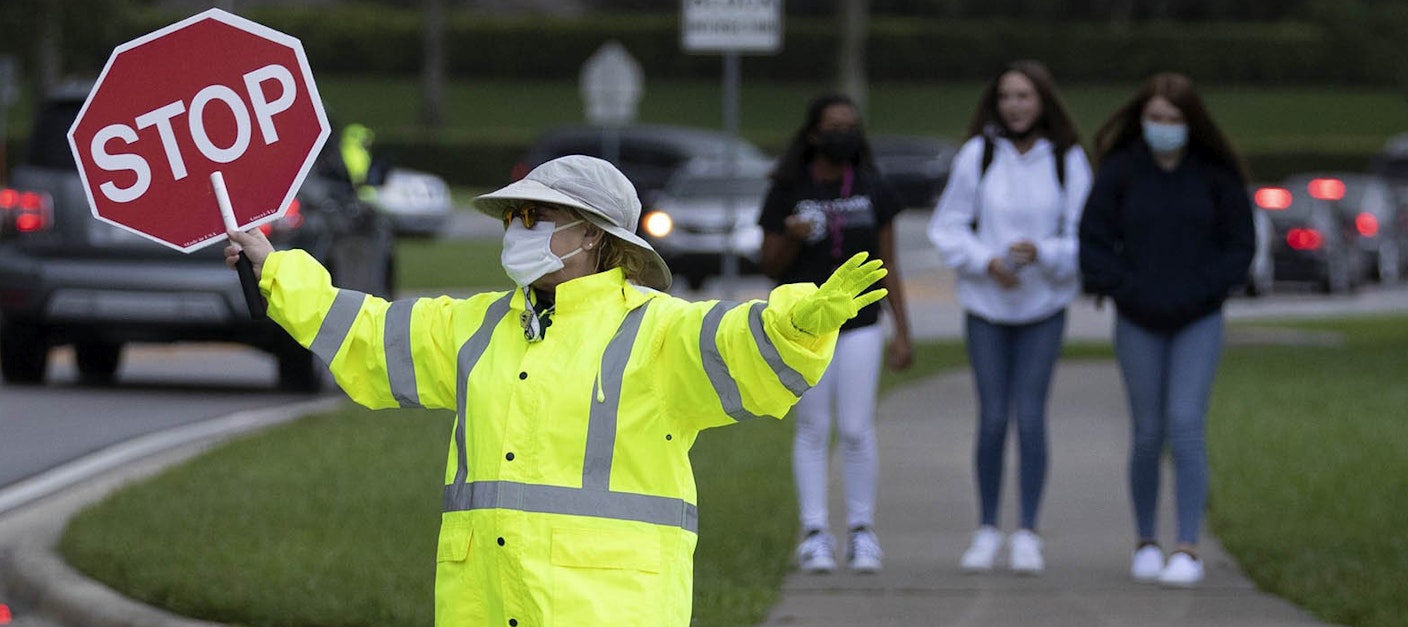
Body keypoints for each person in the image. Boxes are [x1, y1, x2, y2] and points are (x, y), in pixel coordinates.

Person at [223, 155, 889, 626]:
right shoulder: (478, 325)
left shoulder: (657, 331)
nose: (517, 227)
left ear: (593, 234)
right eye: (514, 215)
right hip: (484, 606)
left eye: (537, 215)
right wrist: (274, 267)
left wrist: (799, 319)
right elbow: (369, 333)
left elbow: (738, 343)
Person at [1077, 72, 1256, 587]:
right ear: (1141, 120)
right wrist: (1124, 288)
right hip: (1137, 318)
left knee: (1184, 424)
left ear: (1192, 123)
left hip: (1197, 317)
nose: (1164, 128)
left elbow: (1238, 246)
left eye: (1174, 120)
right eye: (1155, 118)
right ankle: (1146, 540)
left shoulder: (1215, 174)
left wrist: (1204, 291)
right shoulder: (1122, 171)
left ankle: (1187, 545)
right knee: (1147, 432)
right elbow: (1093, 240)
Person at [926, 60, 1090, 575]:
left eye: (1024, 96)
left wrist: (1043, 252)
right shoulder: (979, 155)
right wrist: (986, 261)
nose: (1015, 106)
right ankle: (987, 528)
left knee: (1032, 416)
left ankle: (1027, 532)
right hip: (986, 306)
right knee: (994, 418)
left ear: (1043, 100)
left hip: (1043, 305)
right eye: (1006, 97)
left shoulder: (1067, 159)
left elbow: (1084, 237)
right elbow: (947, 227)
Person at [758, 94, 915, 574]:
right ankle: (814, 532)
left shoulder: (872, 187)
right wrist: (792, 234)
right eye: (833, 126)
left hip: (862, 326)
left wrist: (902, 331)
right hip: (804, 327)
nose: (843, 133)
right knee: (811, 427)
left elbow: (888, 265)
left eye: (851, 125)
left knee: (855, 428)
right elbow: (767, 264)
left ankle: (862, 532)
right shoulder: (787, 187)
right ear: (812, 134)